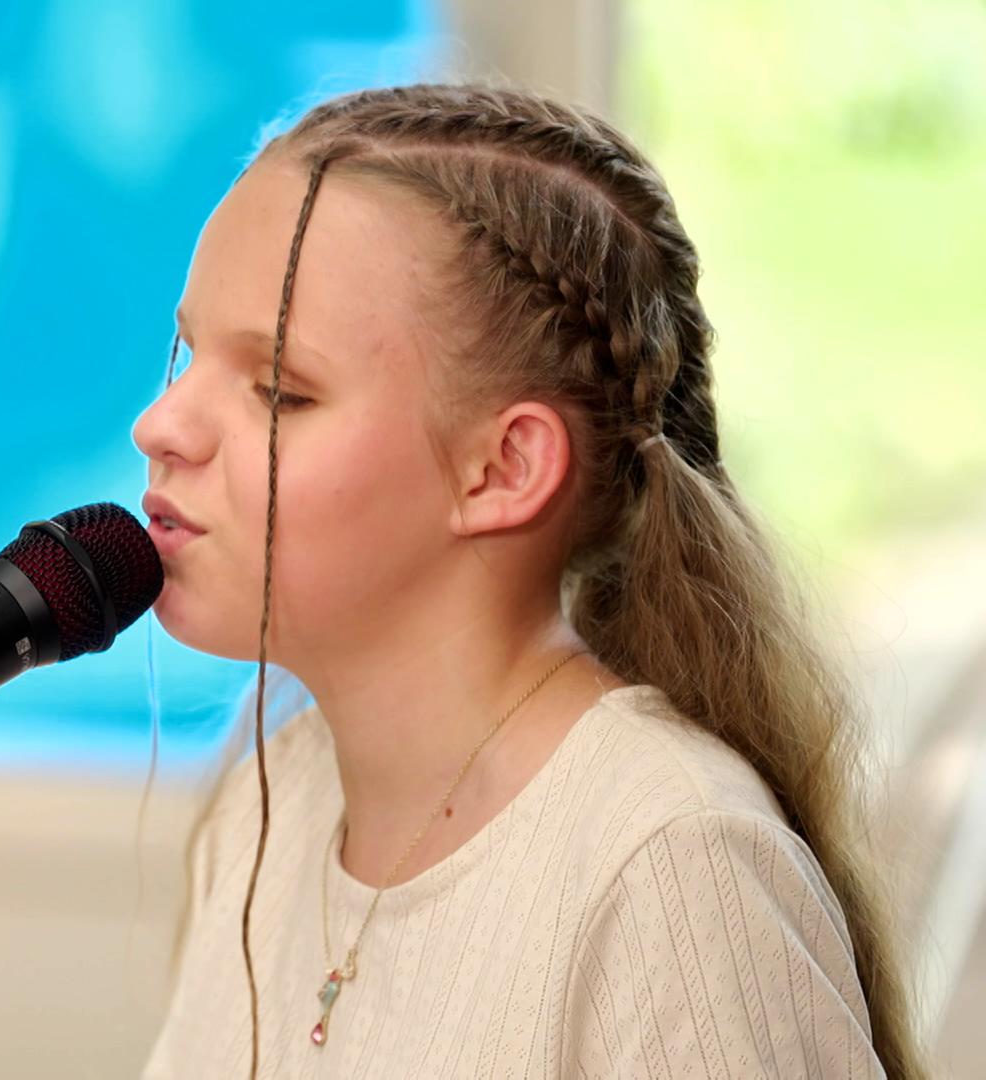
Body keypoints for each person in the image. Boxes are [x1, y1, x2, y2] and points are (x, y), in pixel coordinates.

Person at [132, 83, 922, 1079]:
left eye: (280, 389)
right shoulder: (273, 798)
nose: (159, 426)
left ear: (504, 470)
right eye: (187, 356)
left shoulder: (671, 866)